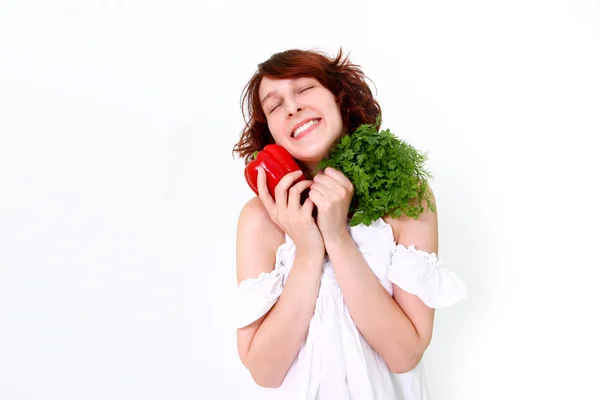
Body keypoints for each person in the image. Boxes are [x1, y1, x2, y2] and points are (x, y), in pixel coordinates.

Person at [230, 47, 467, 399]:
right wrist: (309, 251)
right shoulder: (259, 219)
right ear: (272, 135)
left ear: (340, 98)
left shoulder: (405, 193)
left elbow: (405, 354)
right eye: (275, 104)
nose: (292, 107)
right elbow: (265, 372)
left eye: (305, 89)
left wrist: (338, 238)